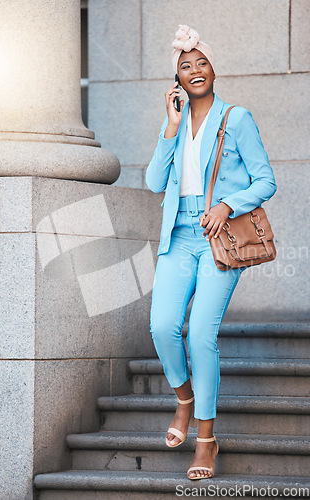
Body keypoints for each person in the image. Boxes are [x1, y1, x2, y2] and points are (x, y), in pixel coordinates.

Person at [146, 25, 277, 480]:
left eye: (202, 62)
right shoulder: (176, 125)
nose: (195, 70)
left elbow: (266, 181)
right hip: (178, 235)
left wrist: (228, 203)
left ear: (214, 68)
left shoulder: (236, 119)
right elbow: (152, 182)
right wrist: (171, 127)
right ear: (176, 80)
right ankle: (184, 399)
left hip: (218, 238)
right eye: (186, 66)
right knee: (163, 326)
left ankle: (206, 439)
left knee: (200, 332)